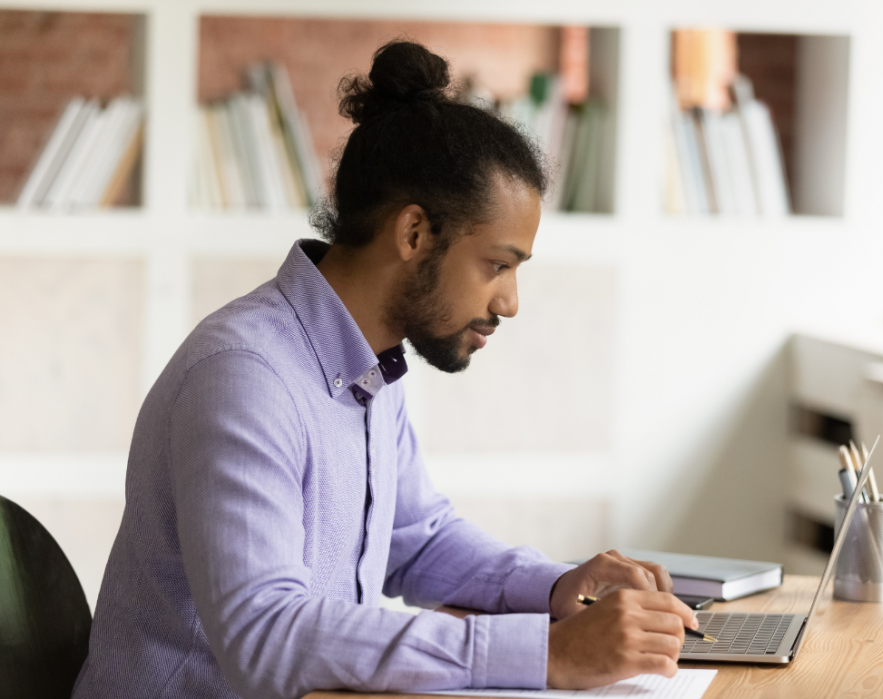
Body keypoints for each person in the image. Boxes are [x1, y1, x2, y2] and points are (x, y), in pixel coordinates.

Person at [72, 41, 696, 699]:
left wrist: (554, 587)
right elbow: (266, 635)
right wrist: (542, 653)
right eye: (497, 264)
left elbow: (415, 541)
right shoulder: (245, 377)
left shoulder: (368, 368)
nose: (510, 302)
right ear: (414, 234)